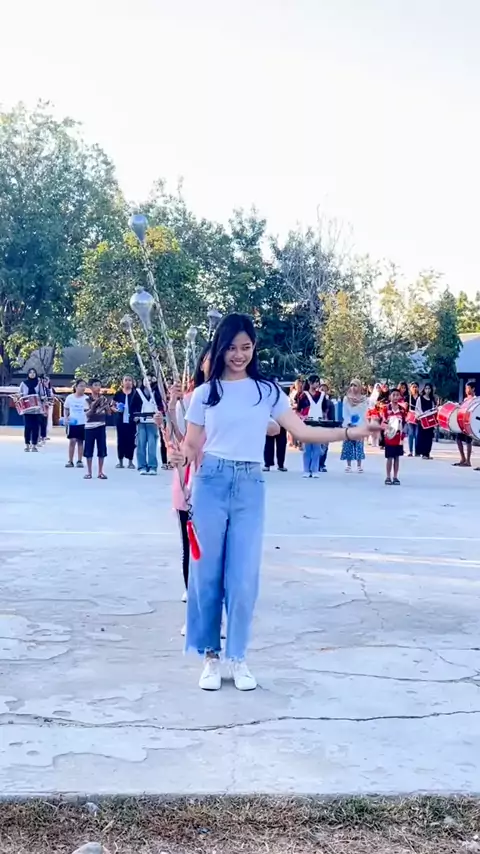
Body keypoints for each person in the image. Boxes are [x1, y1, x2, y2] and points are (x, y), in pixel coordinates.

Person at [172, 313, 376, 692]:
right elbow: (192, 445)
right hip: (211, 482)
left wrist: (351, 432)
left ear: (254, 348)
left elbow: (302, 431)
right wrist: (178, 456)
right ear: (220, 348)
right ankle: (211, 658)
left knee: (243, 577)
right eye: (232, 348)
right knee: (206, 575)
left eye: (246, 347)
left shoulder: (266, 391)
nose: (239, 355)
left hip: (250, 485)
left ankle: (237, 657)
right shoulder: (205, 394)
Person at [297, 375, 327, 478]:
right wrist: (302, 417)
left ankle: (315, 470)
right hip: (307, 423)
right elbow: (298, 410)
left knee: (317, 449)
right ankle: (306, 470)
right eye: (315, 382)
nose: (317, 384)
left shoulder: (322, 395)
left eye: (318, 382)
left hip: (318, 423)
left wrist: (325, 423)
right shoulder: (303, 395)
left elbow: (325, 410)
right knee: (307, 449)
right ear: (310, 382)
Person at [133, 375, 162, 475]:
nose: (148, 382)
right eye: (146, 380)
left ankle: (152, 466)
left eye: (150, 380)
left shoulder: (155, 392)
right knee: (141, 445)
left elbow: (160, 405)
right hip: (141, 422)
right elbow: (133, 407)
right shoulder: (138, 392)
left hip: (153, 422)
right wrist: (135, 417)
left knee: (152, 445)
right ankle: (142, 466)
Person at [84, 379, 111, 479]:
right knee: (89, 450)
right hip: (89, 427)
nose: (98, 387)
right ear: (90, 387)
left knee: (102, 449)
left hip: (101, 426)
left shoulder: (104, 399)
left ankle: (100, 471)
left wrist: (106, 406)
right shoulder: (86, 400)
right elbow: (88, 414)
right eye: (95, 385)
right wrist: (95, 405)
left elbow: (109, 413)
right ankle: (89, 472)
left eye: (99, 385)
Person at [340, 379, 368, 473]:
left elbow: (364, 413)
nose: (353, 387)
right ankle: (348, 465)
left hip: (359, 425)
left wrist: (359, 423)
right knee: (348, 445)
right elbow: (345, 412)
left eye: (355, 385)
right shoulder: (346, 399)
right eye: (351, 385)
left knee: (359, 445)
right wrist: (349, 422)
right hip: (349, 425)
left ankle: (359, 465)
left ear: (359, 387)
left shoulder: (364, 399)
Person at [382, 387, 406, 485]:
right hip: (389, 437)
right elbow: (383, 422)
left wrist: (403, 434)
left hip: (399, 437)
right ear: (390, 396)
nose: (396, 397)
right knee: (389, 457)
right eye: (394, 395)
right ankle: (388, 477)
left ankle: (395, 477)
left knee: (397, 457)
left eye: (397, 395)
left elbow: (404, 423)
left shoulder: (402, 410)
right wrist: (387, 430)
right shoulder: (386, 409)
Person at [263, 382, 288, 472]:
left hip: (281, 422)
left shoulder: (283, 398)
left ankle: (281, 464)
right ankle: (267, 464)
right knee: (268, 445)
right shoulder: (266, 398)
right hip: (270, 422)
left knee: (281, 444)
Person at [113, 376, 137, 469]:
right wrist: (116, 410)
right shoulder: (118, 393)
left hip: (132, 421)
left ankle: (130, 461)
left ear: (132, 382)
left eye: (129, 380)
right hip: (120, 420)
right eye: (126, 380)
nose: (127, 382)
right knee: (121, 440)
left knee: (131, 441)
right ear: (122, 382)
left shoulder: (135, 393)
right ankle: (120, 461)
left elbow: (139, 406)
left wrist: (137, 416)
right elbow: (112, 405)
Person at [64, 379, 89, 468]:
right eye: (81, 386)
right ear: (76, 387)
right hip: (73, 423)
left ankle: (79, 460)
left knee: (80, 441)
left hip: (83, 422)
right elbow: (66, 408)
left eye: (84, 386)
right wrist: (66, 418)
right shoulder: (70, 398)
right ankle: (70, 461)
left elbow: (89, 410)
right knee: (72, 441)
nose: (83, 388)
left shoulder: (86, 398)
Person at [19, 368, 43, 452]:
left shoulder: (39, 383)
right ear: (28, 374)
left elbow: (41, 394)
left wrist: (42, 399)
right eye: (30, 372)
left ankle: (34, 445)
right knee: (27, 427)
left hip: (36, 409)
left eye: (34, 372)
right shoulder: (23, 383)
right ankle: (27, 445)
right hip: (27, 408)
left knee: (35, 427)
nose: (32, 374)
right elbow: (20, 394)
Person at [453, 380, 476, 467]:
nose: (466, 390)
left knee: (468, 441)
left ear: (473, 389)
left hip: (469, 423)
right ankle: (463, 458)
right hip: (462, 422)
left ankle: (468, 461)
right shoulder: (465, 399)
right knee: (458, 439)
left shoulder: (475, 400)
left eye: (468, 388)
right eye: (466, 388)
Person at [318, 381, 336, 471]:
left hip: (326, 427)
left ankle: (321, 464)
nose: (323, 391)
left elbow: (332, 418)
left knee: (324, 447)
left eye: (325, 390)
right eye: (321, 389)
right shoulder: (314, 401)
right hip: (316, 427)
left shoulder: (330, 403)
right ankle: (314, 464)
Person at [415, 383, 437, 460]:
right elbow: (417, 408)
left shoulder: (432, 400)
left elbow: (433, 409)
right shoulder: (420, 398)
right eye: (426, 388)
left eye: (429, 388)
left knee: (429, 437)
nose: (427, 390)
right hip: (422, 420)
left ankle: (427, 453)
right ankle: (421, 452)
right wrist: (422, 416)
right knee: (422, 436)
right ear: (424, 389)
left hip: (430, 421)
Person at [405, 382, 420, 456]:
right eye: (413, 387)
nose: (414, 388)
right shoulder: (408, 397)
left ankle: (417, 452)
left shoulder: (420, 397)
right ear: (410, 388)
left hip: (418, 416)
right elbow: (405, 408)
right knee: (410, 433)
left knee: (417, 434)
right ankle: (410, 451)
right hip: (410, 416)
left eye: (416, 387)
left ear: (418, 388)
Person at [38, 375, 54, 444]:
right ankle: (39, 436)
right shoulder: (39, 388)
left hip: (46, 407)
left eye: (47, 380)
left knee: (45, 422)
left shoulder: (48, 389)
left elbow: (50, 397)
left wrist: (49, 402)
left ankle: (43, 436)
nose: (46, 382)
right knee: (39, 422)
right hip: (39, 407)